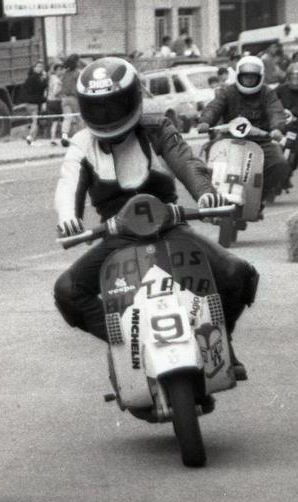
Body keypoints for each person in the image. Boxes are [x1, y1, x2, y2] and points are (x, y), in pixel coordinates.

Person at [53, 57, 257, 381]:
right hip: (118, 235)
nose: (107, 115)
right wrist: (68, 218)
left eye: (115, 104)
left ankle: (221, 341)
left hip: (169, 225)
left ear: (133, 97)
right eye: (98, 107)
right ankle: (126, 345)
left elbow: (185, 160)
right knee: (67, 291)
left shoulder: (156, 126)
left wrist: (205, 192)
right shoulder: (81, 144)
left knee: (238, 273)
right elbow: (68, 184)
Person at [197, 55, 292, 200]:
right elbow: (214, 107)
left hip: (260, 140)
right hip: (230, 137)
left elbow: (276, 111)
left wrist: (277, 128)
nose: (249, 80)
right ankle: (213, 192)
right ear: (238, 76)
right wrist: (206, 121)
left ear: (260, 77)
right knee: (211, 153)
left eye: (252, 77)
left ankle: (260, 193)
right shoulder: (227, 92)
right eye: (245, 77)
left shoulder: (267, 93)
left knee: (280, 164)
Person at [20, 59, 48, 144]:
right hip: (34, 103)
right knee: (35, 121)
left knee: (33, 121)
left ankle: (33, 138)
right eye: (38, 67)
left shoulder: (29, 78)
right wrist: (45, 79)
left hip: (27, 103)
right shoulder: (36, 78)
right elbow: (41, 88)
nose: (40, 68)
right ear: (34, 68)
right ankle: (30, 137)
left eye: (41, 67)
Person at [59, 54, 82, 146]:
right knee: (79, 118)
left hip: (64, 98)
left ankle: (64, 135)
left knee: (67, 118)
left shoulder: (65, 73)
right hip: (74, 98)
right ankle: (81, 138)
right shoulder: (77, 73)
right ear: (76, 62)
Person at [46, 61, 65, 142]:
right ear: (57, 70)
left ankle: (53, 138)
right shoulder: (57, 81)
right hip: (56, 102)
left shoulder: (51, 77)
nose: (62, 71)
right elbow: (55, 92)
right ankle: (63, 137)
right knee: (62, 120)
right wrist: (61, 90)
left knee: (54, 121)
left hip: (49, 101)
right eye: (60, 70)